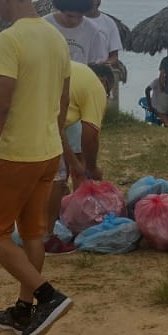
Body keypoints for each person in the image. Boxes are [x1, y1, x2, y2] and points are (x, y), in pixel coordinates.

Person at [0, 0, 74, 335]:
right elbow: (63, 99)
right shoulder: (55, 38)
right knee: (32, 231)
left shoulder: (8, 40)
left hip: (17, 153)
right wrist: (56, 137)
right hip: (48, 151)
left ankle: (47, 296)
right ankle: (24, 309)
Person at [44, 61, 113, 255]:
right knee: (56, 181)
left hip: (27, 114)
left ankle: (16, 233)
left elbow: (59, 128)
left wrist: (74, 163)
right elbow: (90, 134)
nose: (106, 97)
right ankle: (46, 239)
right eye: (108, 93)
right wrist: (92, 167)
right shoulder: (95, 87)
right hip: (43, 123)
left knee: (36, 177)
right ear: (105, 82)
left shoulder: (74, 74)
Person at [44, 0, 109, 65]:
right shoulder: (45, 26)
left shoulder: (92, 30)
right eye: (69, 16)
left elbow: (94, 62)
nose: (74, 21)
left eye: (80, 16)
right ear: (60, 9)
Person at [78, 0, 123, 69]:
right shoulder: (73, 20)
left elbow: (114, 56)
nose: (94, 2)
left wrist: (105, 64)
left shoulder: (109, 23)